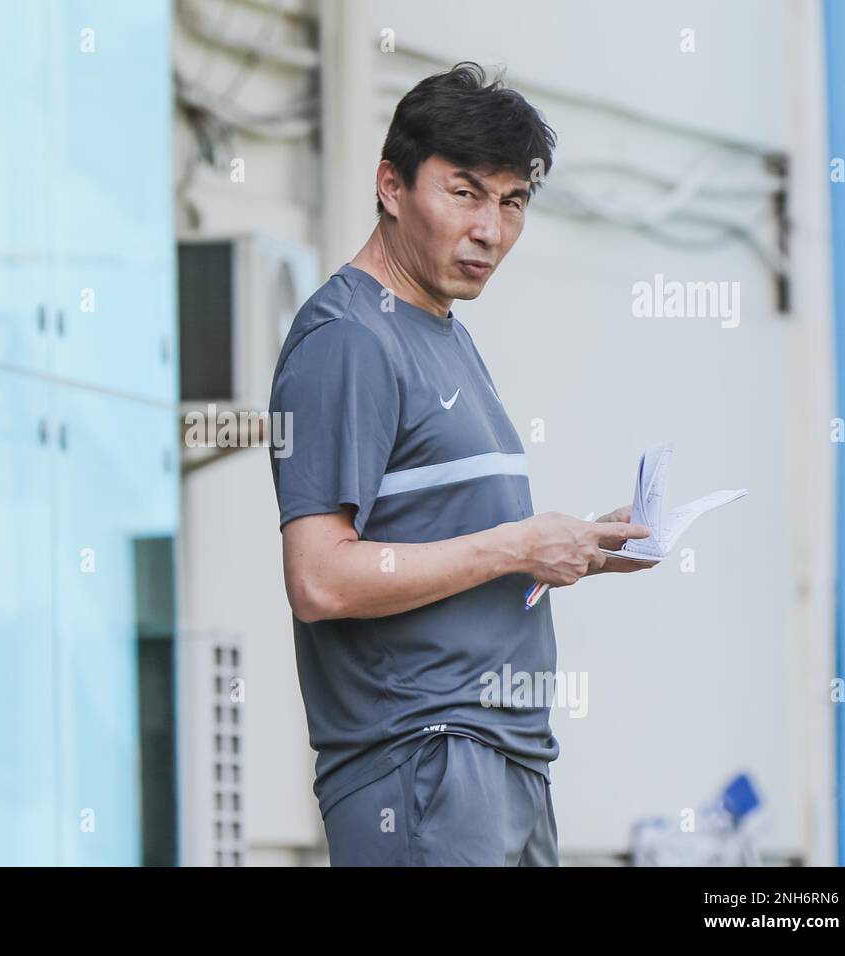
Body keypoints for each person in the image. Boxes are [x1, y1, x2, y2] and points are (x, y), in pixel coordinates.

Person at [267, 62, 652, 866]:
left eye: (512, 202)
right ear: (391, 186)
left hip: (503, 762)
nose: (491, 228)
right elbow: (319, 578)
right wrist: (517, 547)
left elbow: (447, 544)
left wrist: (572, 546)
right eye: (465, 192)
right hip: (424, 763)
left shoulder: (441, 332)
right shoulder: (348, 339)